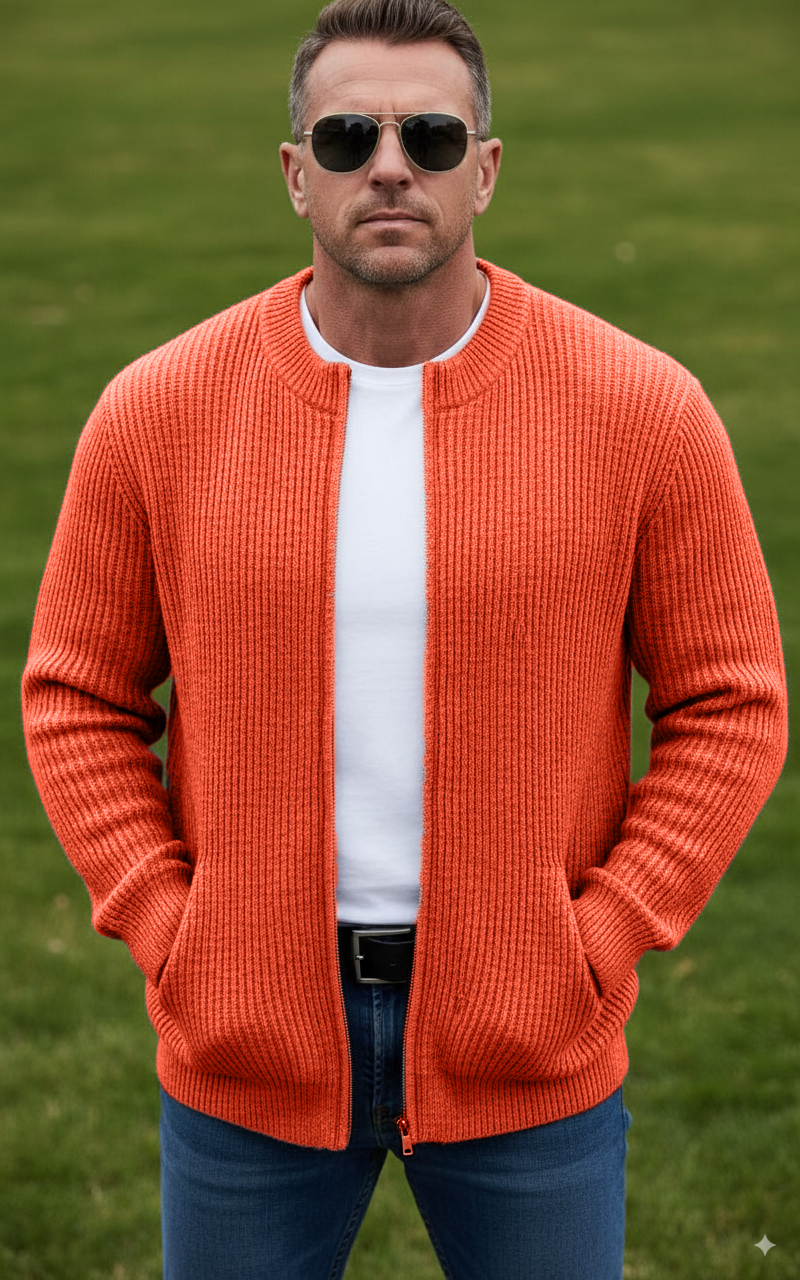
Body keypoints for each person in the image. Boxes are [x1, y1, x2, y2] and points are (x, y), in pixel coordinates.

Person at [21, 0, 788, 1275]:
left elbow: (731, 700)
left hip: (529, 1048)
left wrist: (601, 935)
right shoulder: (157, 409)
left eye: (429, 136)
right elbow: (75, 694)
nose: (388, 166)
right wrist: (168, 924)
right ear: (294, 174)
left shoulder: (639, 407)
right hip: (245, 1049)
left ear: (483, 169)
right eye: (347, 138)